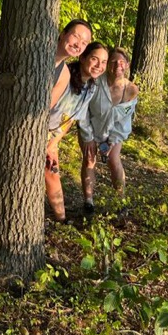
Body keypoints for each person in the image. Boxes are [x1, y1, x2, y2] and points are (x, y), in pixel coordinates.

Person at [0, 20, 92, 216]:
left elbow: (41, 111)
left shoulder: (64, 75)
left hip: (14, 126)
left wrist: (48, 144)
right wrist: (12, 65)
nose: (78, 43)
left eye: (84, 42)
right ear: (63, 33)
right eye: (76, 36)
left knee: (0, 178)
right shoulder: (34, 48)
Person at [45, 42, 108, 221]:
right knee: (51, 174)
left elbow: (70, 119)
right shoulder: (64, 77)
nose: (99, 65)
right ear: (82, 58)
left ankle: (61, 220)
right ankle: (61, 220)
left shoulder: (91, 87)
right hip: (36, 132)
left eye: (103, 62)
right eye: (95, 59)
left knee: (52, 172)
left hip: (51, 138)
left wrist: (53, 144)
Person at [78, 47, 139, 211]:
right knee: (89, 160)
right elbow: (82, 109)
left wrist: (111, 141)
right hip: (90, 128)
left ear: (127, 65)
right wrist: (88, 137)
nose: (117, 65)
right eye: (113, 62)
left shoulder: (131, 89)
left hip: (113, 133)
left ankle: (120, 202)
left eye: (121, 62)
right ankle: (88, 202)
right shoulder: (95, 82)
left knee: (114, 160)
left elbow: (124, 120)